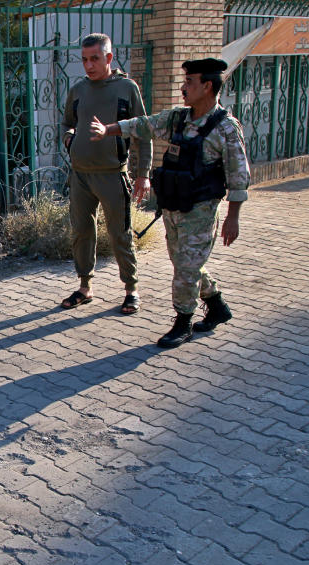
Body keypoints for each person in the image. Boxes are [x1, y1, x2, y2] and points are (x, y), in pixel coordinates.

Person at [89, 57, 250, 348]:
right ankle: (216, 305)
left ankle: (183, 322)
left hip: (201, 209)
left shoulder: (225, 128)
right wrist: (108, 130)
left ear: (208, 86)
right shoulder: (178, 118)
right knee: (186, 263)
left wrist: (233, 216)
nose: (183, 87)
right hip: (174, 208)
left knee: (186, 268)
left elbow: (239, 176)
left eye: (190, 82)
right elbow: (144, 125)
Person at [60, 33, 152, 315]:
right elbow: (67, 123)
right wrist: (70, 139)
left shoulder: (126, 88)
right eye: (85, 59)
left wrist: (143, 174)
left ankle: (131, 289)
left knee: (119, 233)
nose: (89, 65)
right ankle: (85, 286)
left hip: (113, 174)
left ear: (109, 58)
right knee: (81, 232)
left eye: (95, 59)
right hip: (80, 176)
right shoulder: (77, 90)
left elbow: (144, 132)